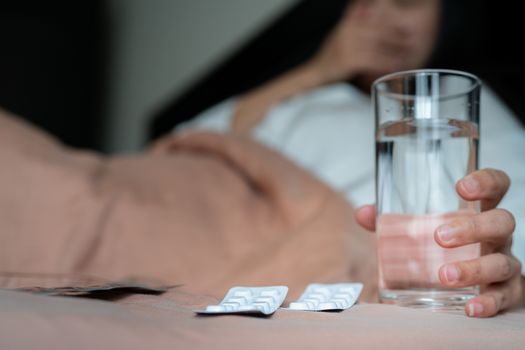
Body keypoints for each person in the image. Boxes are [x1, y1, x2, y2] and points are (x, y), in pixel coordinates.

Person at [174, 0, 525, 317]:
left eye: (407, 2)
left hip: (429, 293)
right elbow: (187, 147)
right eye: (368, 3)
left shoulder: (471, 104)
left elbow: (511, 233)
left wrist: (513, 279)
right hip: (303, 270)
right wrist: (323, 67)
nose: (388, 19)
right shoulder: (304, 104)